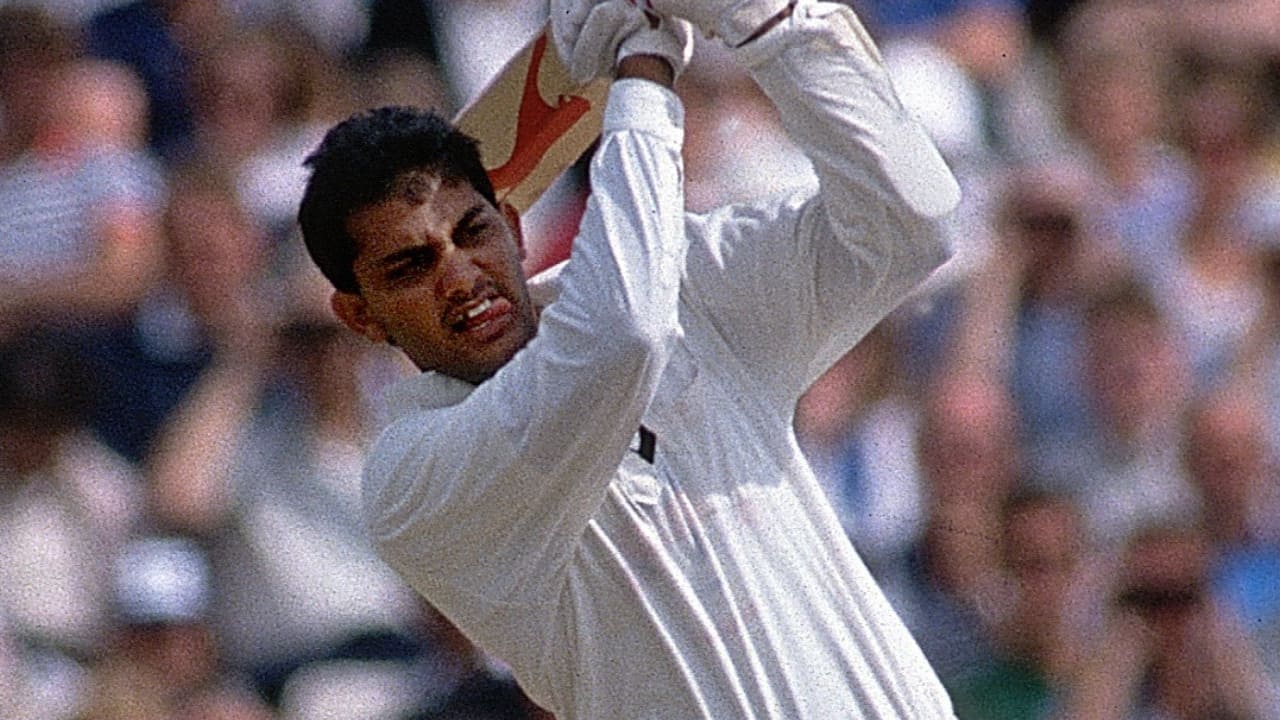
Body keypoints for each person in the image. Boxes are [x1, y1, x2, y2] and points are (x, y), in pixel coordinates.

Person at [296, 0, 961, 717]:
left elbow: (910, 225)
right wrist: (643, 71)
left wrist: (768, 24)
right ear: (360, 316)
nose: (459, 276)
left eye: (473, 231)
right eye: (410, 267)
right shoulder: (411, 484)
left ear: (515, 226)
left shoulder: (680, 287)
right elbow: (624, 340)